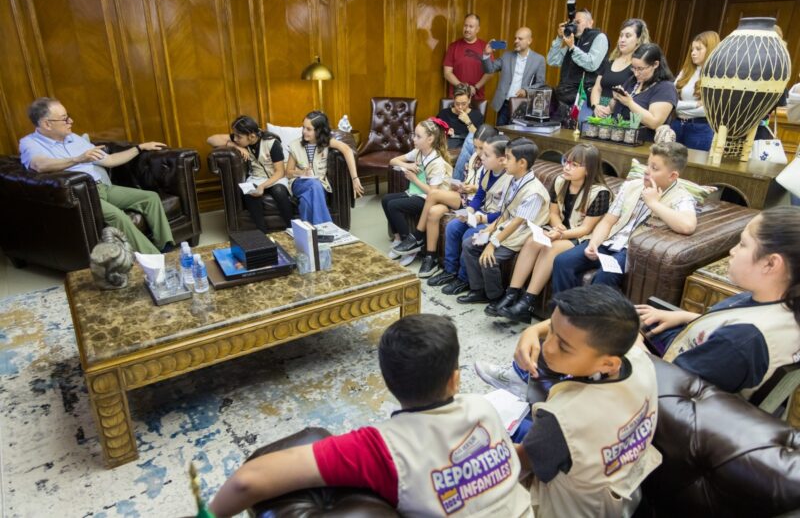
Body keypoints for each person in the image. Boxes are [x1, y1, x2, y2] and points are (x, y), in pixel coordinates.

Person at [208, 314, 533, 518]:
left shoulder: (381, 448)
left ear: (388, 381)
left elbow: (247, 480)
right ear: (455, 379)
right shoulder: (482, 407)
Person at [474, 285, 662, 517]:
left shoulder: (561, 419)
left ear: (608, 364)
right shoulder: (640, 360)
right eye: (551, 330)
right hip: (626, 491)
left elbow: (522, 462)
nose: (548, 347)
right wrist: (532, 331)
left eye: (563, 346)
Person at [638, 206, 800, 399]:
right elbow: (732, 326)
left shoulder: (741, 341)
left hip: (671, 391)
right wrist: (684, 316)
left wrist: (635, 348)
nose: (732, 251)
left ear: (770, 263)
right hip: (698, 359)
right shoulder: (782, 303)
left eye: (742, 244)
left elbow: (675, 391)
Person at [19, 97, 173, 255]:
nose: (71, 121)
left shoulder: (74, 138)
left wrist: (139, 148)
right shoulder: (30, 143)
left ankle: (166, 247)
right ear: (47, 124)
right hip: (82, 196)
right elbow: (39, 165)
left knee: (150, 198)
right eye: (64, 118)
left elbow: (110, 160)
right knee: (118, 216)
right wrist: (78, 159)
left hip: (101, 187)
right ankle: (155, 259)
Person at [551, 141, 697, 294]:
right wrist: (594, 243)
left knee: (606, 274)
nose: (646, 171)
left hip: (631, 251)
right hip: (609, 241)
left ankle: (588, 310)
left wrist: (653, 203)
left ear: (672, 176)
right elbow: (608, 221)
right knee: (563, 261)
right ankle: (564, 307)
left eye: (654, 168)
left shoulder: (681, 197)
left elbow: (688, 225)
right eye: (647, 165)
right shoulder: (631, 186)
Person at [495, 144, 612, 323]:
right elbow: (553, 213)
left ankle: (527, 303)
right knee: (532, 241)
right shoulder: (560, 181)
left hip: (583, 237)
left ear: (588, 169)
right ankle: (511, 294)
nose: (567, 167)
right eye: (566, 161)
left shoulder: (600, 193)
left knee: (550, 248)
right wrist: (558, 227)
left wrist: (561, 234)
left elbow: (587, 229)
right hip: (560, 230)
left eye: (574, 165)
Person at [394, 126, 501, 279]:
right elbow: (471, 181)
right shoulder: (474, 158)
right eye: (475, 147)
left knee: (433, 193)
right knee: (433, 212)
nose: (477, 152)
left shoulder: (491, 163)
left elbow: (486, 191)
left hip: (474, 202)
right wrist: (461, 186)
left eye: (481, 148)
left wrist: (472, 188)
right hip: (463, 196)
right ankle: (431, 257)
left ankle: (417, 236)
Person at [458, 138, 550, 309]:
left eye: (508, 158)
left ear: (522, 163)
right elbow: (505, 213)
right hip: (506, 228)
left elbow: (517, 223)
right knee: (469, 244)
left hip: (522, 233)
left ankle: (496, 297)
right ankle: (479, 290)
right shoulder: (512, 179)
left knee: (489, 258)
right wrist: (489, 229)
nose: (504, 161)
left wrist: (492, 243)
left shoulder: (534, 191)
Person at [384, 118, 453, 267]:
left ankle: (410, 246)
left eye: (418, 136)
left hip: (430, 199)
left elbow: (433, 194)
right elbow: (393, 161)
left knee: (394, 205)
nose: (413, 139)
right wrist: (407, 166)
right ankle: (399, 239)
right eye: (414, 135)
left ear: (430, 139)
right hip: (417, 193)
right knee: (386, 200)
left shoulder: (437, 163)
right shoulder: (418, 152)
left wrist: (414, 179)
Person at [207, 115, 293, 230]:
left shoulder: (272, 143)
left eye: (239, 137)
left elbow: (280, 172)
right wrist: (235, 146)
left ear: (251, 136)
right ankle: (262, 232)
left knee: (279, 192)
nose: (235, 139)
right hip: (257, 177)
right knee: (249, 193)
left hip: (276, 178)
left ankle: (291, 227)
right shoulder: (241, 140)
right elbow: (211, 139)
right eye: (234, 135)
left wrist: (262, 186)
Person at [286, 111, 363, 225]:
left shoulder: (326, 142)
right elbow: (288, 173)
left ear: (319, 131)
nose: (304, 131)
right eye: (303, 127)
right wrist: (302, 173)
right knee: (314, 184)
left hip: (320, 185)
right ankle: (326, 228)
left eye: (309, 129)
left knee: (305, 202)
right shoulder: (295, 145)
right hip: (299, 183)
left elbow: (347, 150)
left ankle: (308, 231)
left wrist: (355, 179)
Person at [583, 18, 650, 123]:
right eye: (621, 35)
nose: (622, 40)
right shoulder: (610, 61)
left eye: (627, 36)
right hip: (598, 113)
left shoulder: (638, 67)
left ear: (639, 39)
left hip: (620, 116)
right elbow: (597, 88)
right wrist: (596, 106)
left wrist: (610, 108)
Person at [609, 43, 678, 143]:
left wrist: (630, 103)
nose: (636, 73)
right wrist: (616, 98)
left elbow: (654, 123)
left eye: (640, 69)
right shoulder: (632, 81)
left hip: (644, 144)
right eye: (633, 68)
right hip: (618, 138)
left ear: (655, 64)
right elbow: (613, 109)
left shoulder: (665, 88)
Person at [547, 9, 609, 113]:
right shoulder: (574, 41)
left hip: (583, 98)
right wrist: (559, 38)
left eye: (578, 22)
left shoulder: (600, 37)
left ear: (590, 22)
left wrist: (572, 48)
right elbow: (552, 60)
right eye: (573, 23)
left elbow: (591, 64)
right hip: (564, 95)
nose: (574, 26)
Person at [482, 28, 547, 126]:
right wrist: (486, 54)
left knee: (516, 134)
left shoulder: (539, 59)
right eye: (515, 38)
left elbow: (540, 84)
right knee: (500, 132)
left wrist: (526, 91)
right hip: (504, 104)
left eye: (520, 39)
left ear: (529, 41)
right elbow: (489, 69)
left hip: (522, 105)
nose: (516, 41)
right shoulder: (506, 55)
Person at [669, 31, 720, 151]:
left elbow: (708, 111)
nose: (693, 53)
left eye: (698, 49)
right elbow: (671, 102)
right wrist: (696, 104)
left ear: (710, 49)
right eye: (692, 49)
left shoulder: (718, 76)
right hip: (676, 125)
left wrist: (680, 107)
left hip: (700, 129)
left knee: (695, 162)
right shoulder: (686, 71)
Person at [443, 13, 492, 101]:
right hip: (457, 98)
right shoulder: (453, 46)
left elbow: (490, 72)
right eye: (465, 25)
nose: (467, 29)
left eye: (471, 26)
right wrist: (464, 88)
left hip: (477, 98)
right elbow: (447, 73)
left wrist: (475, 87)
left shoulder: (486, 47)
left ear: (477, 29)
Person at [436, 83, 484, 149]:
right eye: (457, 104)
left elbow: (478, 138)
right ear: (453, 99)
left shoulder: (477, 115)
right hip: (447, 147)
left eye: (464, 104)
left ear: (469, 100)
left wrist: (468, 121)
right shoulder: (444, 113)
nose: (460, 107)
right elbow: (435, 133)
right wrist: (445, 131)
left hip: (467, 147)